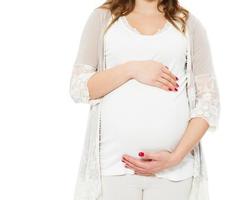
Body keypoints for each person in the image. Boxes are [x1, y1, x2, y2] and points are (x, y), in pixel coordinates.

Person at [69, 0, 221, 199]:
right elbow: (79, 88)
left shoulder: (188, 24)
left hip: (174, 174)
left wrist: (174, 158)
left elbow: (209, 101)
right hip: (112, 167)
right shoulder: (103, 19)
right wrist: (132, 69)